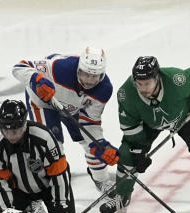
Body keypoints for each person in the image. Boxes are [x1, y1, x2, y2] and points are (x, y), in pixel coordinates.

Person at [100, 56, 190, 213]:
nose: (142, 88)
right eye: (138, 83)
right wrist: (137, 152)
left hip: (187, 115)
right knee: (127, 154)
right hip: (149, 123)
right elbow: (130, 126)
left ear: (158, 78)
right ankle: (121, 197)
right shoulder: (126, 94)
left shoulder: (177, 80)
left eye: (147, 83)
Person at [11, 46, 119, 193]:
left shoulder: (104, 89)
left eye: (95, 76)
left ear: (102, 74)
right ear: (79, 69)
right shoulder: (60, 68)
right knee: (52, 148)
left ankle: (101, 180)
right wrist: (36, 80)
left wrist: (100, 143)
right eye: (86, 74)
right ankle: (48, 191)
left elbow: (90, 122)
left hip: (73, 107)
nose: (89, 80)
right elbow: (19, 67)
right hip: (43, 102)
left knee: (92, 144)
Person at [0, 99, 76, 213]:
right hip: (18, 191)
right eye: (6, 131)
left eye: (15, 131)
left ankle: (37, 206)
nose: (11, 136)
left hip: (48, 187)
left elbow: (59, 174)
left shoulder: (43, 137)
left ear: (24, 125)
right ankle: (31, 206)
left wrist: (61, 210)